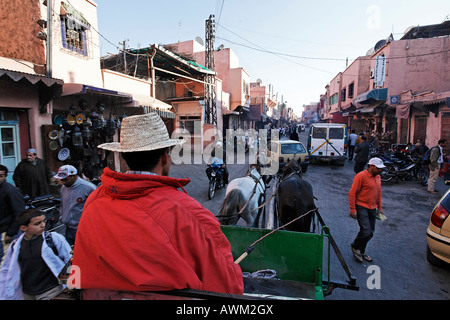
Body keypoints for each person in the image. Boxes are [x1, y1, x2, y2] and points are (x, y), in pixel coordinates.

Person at [72, 113, 243, 295]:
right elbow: (227, 287)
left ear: (123, 158)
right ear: (165, 157)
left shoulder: (94, 200)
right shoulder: (189, 214)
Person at [0, 208, 72, 300]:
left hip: (51, 290)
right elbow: (6, 269)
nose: (43, 225)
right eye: (37, 223)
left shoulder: (53, 239)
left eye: (43, 221)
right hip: (27, 293)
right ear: (23, 228)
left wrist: (73, 285)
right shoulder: (15, 245)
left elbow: (69, 260)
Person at [349, 157, 386, 263]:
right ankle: (355, 246)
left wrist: (380, 208)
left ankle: (361, 250)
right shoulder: (360, 176)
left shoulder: (378, 177)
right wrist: (352, 209)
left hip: (372, 208)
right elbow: (352, 193)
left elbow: (378, 193)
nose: (380, 170)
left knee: (370, 232)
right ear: (371, 166)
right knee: (365, 230)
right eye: (378, 168)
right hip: (361, 206)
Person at [53, 165, 96, 246]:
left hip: (84, 229)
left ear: (73, 176)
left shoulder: (89, 188)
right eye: (61, 180)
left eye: (65, 179)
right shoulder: (63, 188)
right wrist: (62, 216)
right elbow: (62, 204)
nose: (63, 182)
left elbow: (97, 210)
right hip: (69, 229)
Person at [0, 165, 25, 262]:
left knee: (6, 260)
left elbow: (19, 213)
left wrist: (10, 233)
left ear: (5, 176)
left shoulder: (11, 191)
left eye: (1, 176)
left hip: (6, 231)